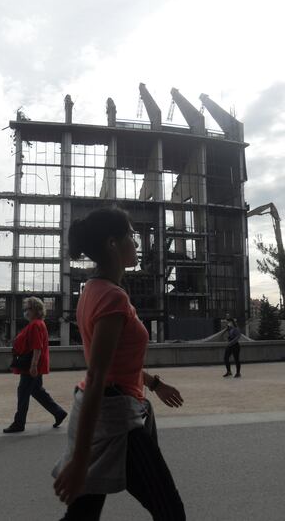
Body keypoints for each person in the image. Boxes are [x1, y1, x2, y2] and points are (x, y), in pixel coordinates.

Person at [52, 208, 186, 521]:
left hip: (108, 408)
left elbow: (111, 364)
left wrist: (153, 383)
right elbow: (97, 374)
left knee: (83, 515)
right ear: (113, 243)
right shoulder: (112, 298)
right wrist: (81, 460)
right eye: (131, 236)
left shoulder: (93, 291)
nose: (137, 243)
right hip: (117, 420)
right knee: (171, 512)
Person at [3, 296, 67, 433]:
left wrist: (33, 366)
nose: (25, 311)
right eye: (25, 308)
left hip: (30, 366)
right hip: (34, 364)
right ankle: (58, 412)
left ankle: (19, 423)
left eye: (28, 308)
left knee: (23, 393)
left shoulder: (35, 325)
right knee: (37, 391)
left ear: (36, 310)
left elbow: (37, 347)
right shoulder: (37, 324)